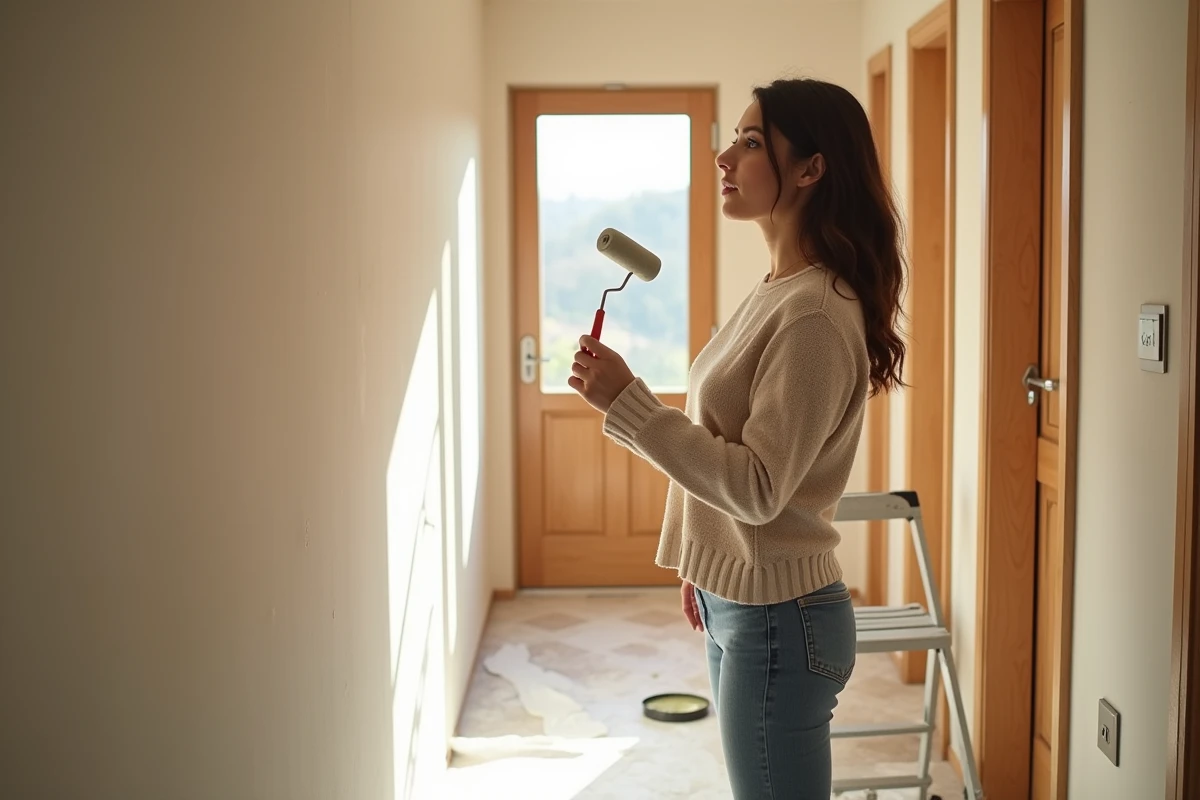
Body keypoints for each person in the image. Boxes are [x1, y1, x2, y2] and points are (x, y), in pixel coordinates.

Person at [567, 77, 907, 799]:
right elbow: (725, 443)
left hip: (781, 623)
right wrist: (703, 562)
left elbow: (757, 486)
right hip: (747, 605)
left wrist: (627, 402)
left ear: (811, 169)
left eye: (752, 143)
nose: (725, 157)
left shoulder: (813, 312)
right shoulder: (778, 288)